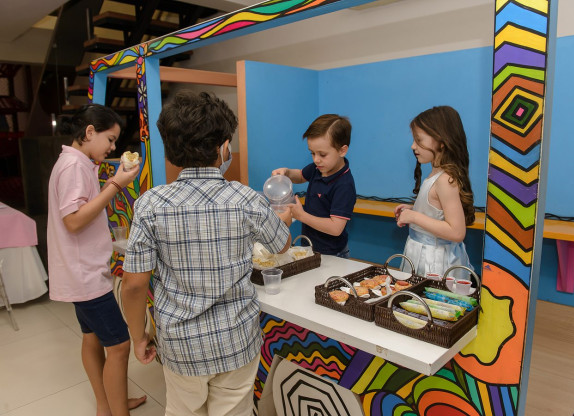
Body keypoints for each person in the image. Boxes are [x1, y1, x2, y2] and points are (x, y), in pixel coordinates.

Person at [121, 91, 292, 416]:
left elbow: (133, 284)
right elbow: (281, 245)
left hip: (180, 345)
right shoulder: (246, 198)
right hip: (235, 340)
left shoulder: (149, 205)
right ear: (224, 147)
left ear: (169, 151)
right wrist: (284, 218)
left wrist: (138, 335)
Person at [47, 104, 145, 416]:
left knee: (92, 338)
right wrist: (116, 185)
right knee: (119, 345)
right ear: (90, 132)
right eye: (110, 139)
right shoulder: (74, 167)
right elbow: (74, 220)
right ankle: (117, 411)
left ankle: (107, 405)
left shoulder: (76, 162)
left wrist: (112, 181)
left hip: (80, 273)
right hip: (85, 276)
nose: (113, 147)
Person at [394, 105, 475, 279]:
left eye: (419, 140)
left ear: (441, 141)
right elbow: (439, 211)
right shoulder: (435, 175)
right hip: (422, 255)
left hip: (435, 263)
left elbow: (457, 232)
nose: (413, 146)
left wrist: (414, 217)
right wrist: (414, 209)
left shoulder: (445, 180)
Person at [272, 114, 356, 258]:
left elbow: (336, 228)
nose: (316, 159)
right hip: (310, 248)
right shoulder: (318, 168)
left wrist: (301, 216)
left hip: (333, 254)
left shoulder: (344, 185)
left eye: (322, 154)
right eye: (312, 153)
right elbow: (300, 175)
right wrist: (287, 172)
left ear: (342, 150)